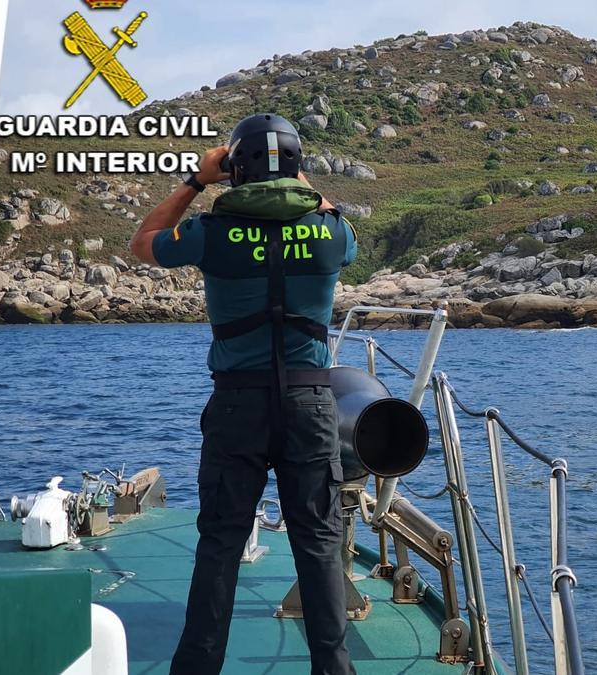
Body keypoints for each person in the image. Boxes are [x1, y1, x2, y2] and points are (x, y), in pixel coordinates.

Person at [129, 113, 358, 675]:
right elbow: (321, 208)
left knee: (221, 544)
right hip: (310, 406)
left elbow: (141, 244)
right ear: (300, 167)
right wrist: (294, 173)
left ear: (235, 168)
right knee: (318, 543)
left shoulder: (211, 234)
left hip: (237, 407)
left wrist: (194, 181)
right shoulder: (334, 235)